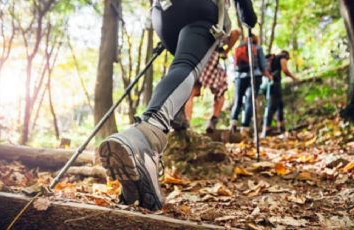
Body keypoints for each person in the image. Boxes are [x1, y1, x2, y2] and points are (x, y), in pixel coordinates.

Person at [97, 0, 257, 211]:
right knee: (186, 66)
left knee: (180, 66)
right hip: (199, 9)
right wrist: (249, 19)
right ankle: (147, 136)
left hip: (161, 14)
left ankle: (139, 181)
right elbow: (245, 12)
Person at [184, 29, 241, 133]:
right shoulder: (218, 26)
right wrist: (226, 51)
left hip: (194, 58)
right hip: (210, 59)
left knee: (190, 92)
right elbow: (236, 32)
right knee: (221, 91)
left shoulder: (194, 29)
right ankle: (213, 121)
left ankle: (187, 124)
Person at [230, 35, 271, 134]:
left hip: (239, 77)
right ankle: (245, 127)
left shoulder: (239, 48)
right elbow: (263, 64)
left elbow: (235, 65)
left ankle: (233, 123)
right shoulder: (257, 48)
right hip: (254, 75)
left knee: (238, 100)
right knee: (250, 100)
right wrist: (268, 76)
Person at [261, 50, 298, 137]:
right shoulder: (282, 56)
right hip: (275, 83)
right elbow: (285, 70)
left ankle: (281, 127)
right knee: (271, 106)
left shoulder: (273, 59)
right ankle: (266, 129)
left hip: (270, 83)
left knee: (279, 105)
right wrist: (294, 78)